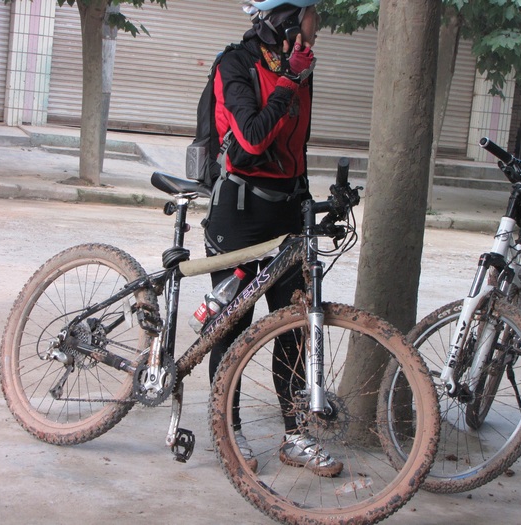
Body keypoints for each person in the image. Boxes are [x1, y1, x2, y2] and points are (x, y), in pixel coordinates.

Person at [204, 0, 342, 477]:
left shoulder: (298, 67)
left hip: (287, 210)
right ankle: (228, 430)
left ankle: (296, 435)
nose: (317, 26)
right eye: (311, 15)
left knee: (293, 326)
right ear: (286, 19)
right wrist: (289, 81)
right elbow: (251, 139)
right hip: (240, 215)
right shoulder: (235, 64)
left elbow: (294, 145)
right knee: (231, 328)